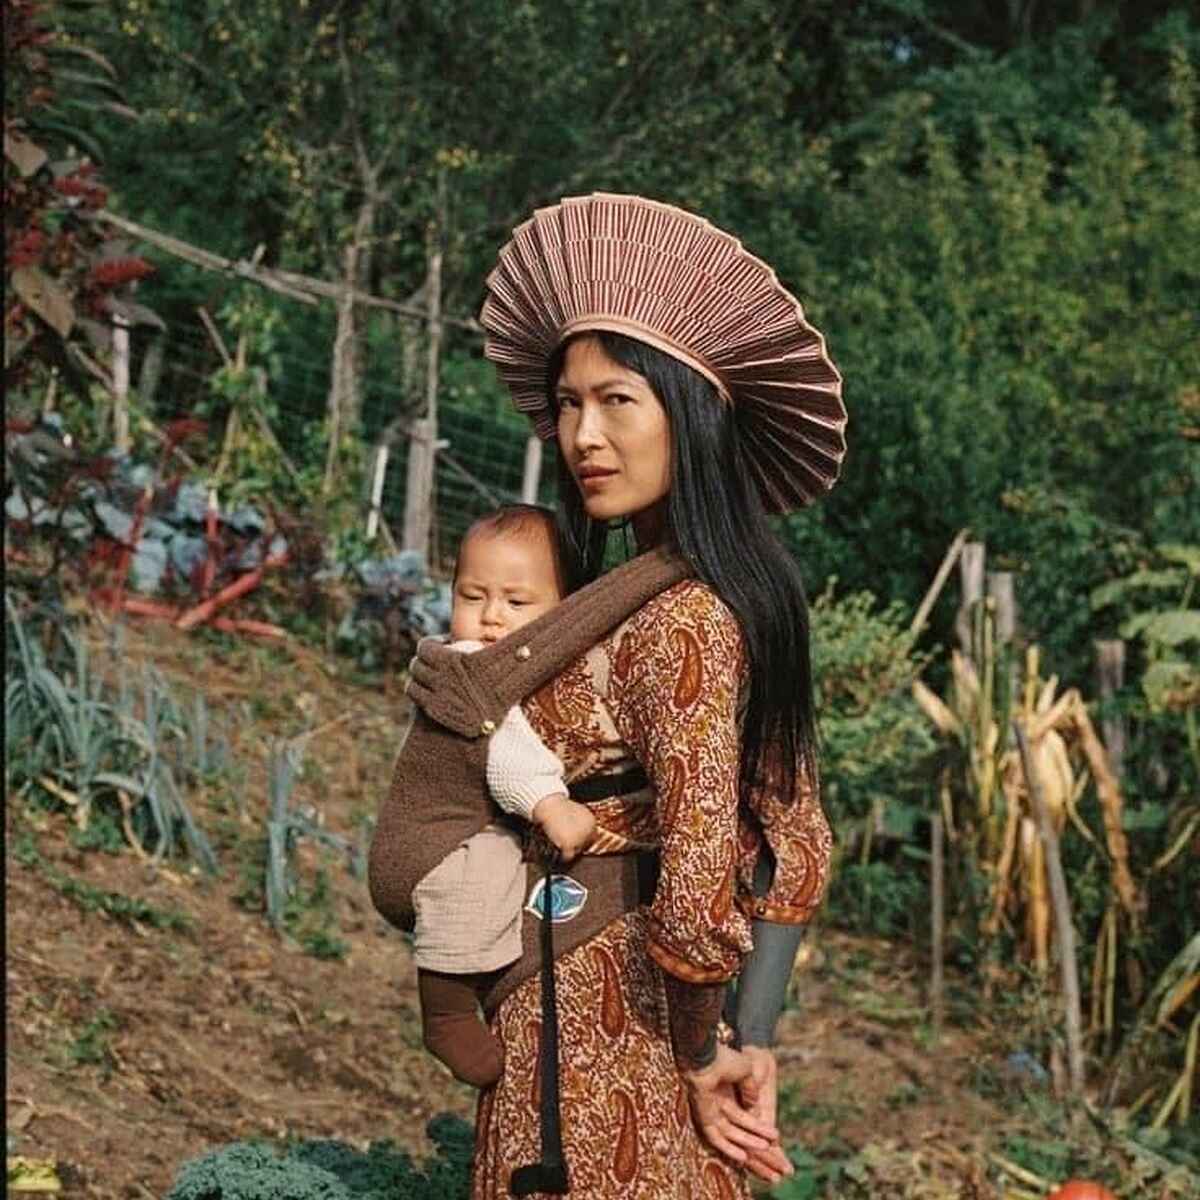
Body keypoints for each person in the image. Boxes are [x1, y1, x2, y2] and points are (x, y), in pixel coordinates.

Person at [377, 192, 847, 1199]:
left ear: (695, 418)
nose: (583, 434)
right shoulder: (680, 596)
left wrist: (699, 1050)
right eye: (569, 404)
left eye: (618, 401)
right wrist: (746, 1037)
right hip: (608, 1003)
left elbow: (700, 879)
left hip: (604, 1017)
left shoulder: (676, 620)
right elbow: (796, 834)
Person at [412, 504, 598, 1088]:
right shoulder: (470, 667)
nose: (491, 618)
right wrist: (550, 804)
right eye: (473, 596)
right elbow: (505, 747)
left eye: (516, 603)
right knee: (481, 869)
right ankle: (443, 1009)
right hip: (438, 829)